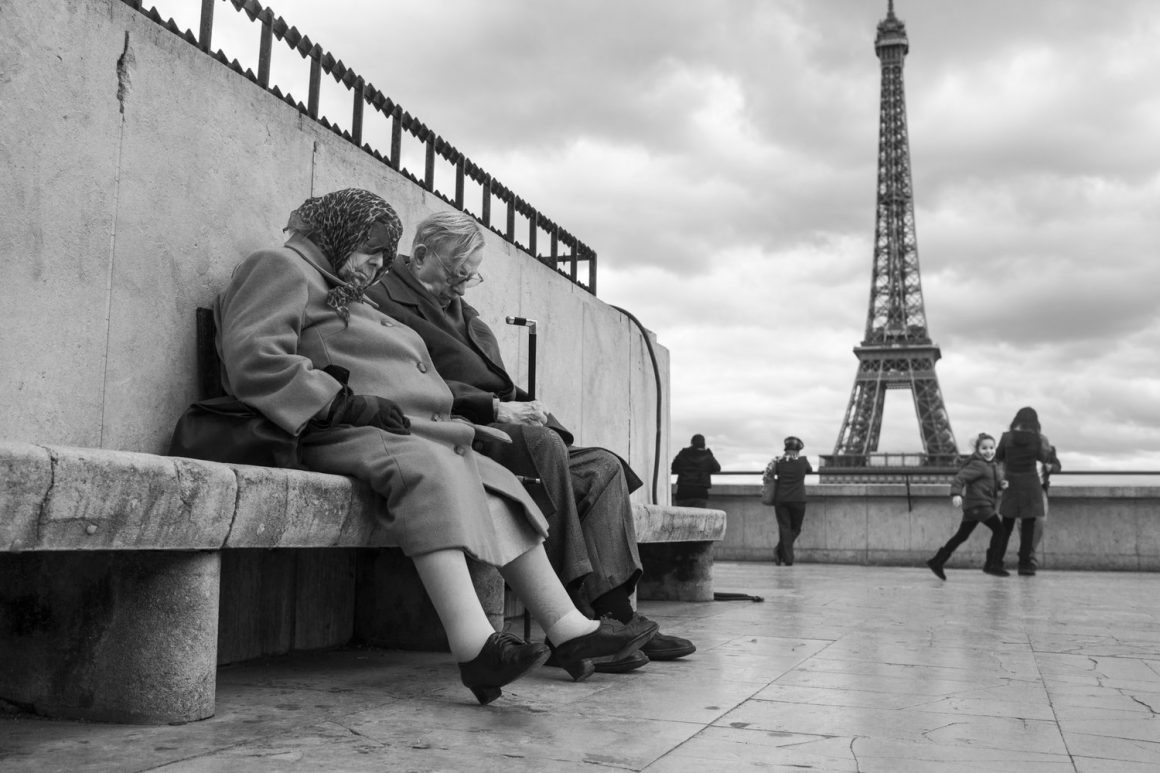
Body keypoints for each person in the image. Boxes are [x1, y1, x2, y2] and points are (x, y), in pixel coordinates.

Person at [214, 189, 656, 704]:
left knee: (499, 485)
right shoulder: (280, 266)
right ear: (336, 237)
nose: (378, 267)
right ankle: (475, 648)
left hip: (394, 427)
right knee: (431, 469)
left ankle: (569, 628)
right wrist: (342, 404)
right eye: (371, 252)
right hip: (334, 427)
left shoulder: (336, 286)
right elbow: (254, 357)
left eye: (383, 257)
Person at [365, 210, 695, 669]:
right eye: (457, 274)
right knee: (541, 447)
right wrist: (495, 410)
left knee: (603, 465)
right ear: (421, 256)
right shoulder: (381, 300)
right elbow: (403, 380)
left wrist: (538, 413)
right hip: (456, 428)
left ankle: (617, 616)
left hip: (502, 426)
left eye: (470, 277)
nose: (463, 287)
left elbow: (500, 382)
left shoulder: (463, 311)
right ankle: (576, 623)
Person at [926, 433, 1009, 579]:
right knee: (1000, 530)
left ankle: (937, 561)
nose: (988, 451)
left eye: (991, 447)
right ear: (977, 450)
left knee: (961, 536)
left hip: (974, 506)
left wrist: (1001, 484)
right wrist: (956, 494)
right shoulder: (979, 464)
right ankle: (991, 564)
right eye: (984, 448)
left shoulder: (990, 465)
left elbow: (988, 484)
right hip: (979, 505)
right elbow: (960, 478)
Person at [994, 407, 1061, 576]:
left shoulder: (1006, 437)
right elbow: (1044, 457)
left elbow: (998, 456)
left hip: (1011, 483)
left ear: (1016, 420)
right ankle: (1024, 564)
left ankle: (996, 562)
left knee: (1006, 525)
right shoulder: (1038, 439)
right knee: (1028, 526)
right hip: (1030, 484)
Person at [764, 436, 813, 566]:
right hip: (798, 499)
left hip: (781, 499)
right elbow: (810, 470)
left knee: (784, 528)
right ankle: (783, 555)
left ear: (786, 448)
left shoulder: (779, 461)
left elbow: (770, 473)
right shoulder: (803, 461)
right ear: (798, 449)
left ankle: (783, 555)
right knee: (796, 529)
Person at [671, 434, 721, 507]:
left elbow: (674, 467)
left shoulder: (683, 453)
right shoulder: (707, 456)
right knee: (699, 517)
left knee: (681, 517)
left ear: (692, 443)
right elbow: (717, 468)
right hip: (700, 493)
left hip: (683, 492)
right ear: (704, 444)